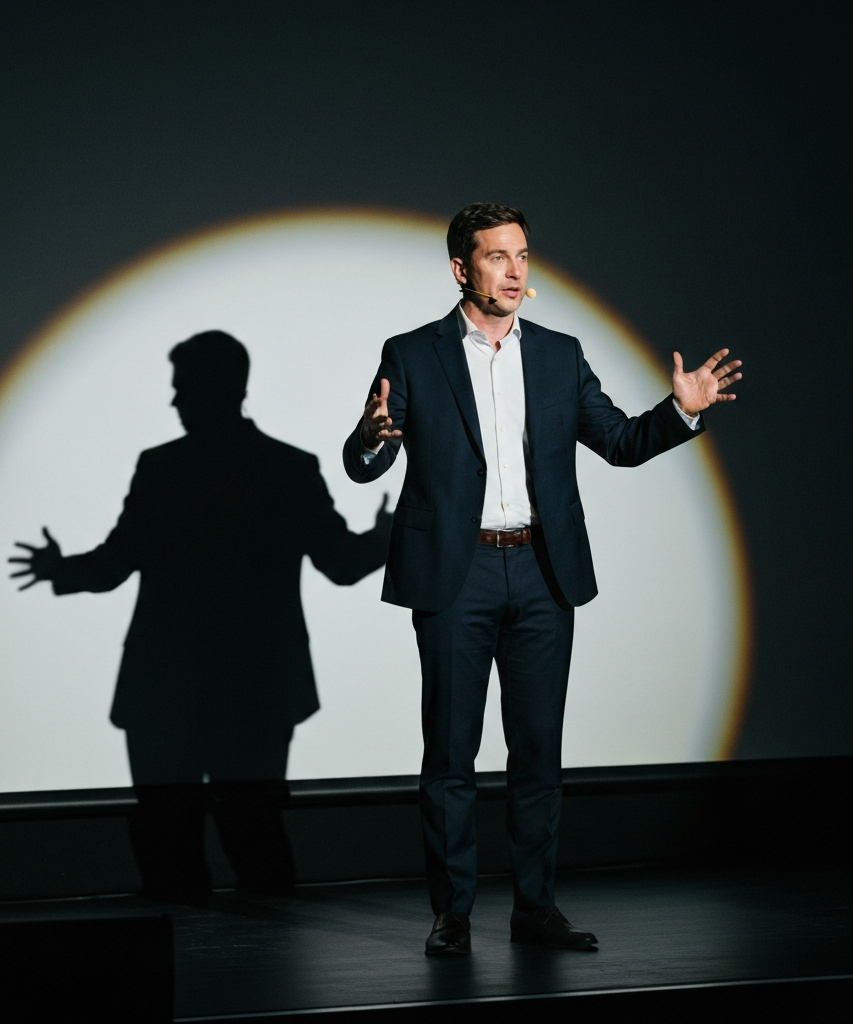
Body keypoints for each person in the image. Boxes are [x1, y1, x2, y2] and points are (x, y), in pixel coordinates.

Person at [343, 203, 742, 954]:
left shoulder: (559, 354)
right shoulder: (412, 352)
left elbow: (620, 441)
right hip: (454, 576)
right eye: (498, 256)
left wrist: (678, 414)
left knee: (537, 754)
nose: (516, 269)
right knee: (450, 756)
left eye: (522, 254)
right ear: (463, 269)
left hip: (540, 571)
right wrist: (369, 440)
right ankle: (452, 915)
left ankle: (535, 910)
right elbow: (369, 451)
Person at [10, 330, 393, 902]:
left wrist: (59, 569)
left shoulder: (163, 469)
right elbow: (340, 563)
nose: (174, 401)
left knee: (169, 848)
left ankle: (175, 980)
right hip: (258, 689)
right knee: (256, 838)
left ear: (207, 390)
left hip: (165, 690)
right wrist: (387, 537)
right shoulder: (288, 468)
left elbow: (116, 563)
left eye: (181, 388)